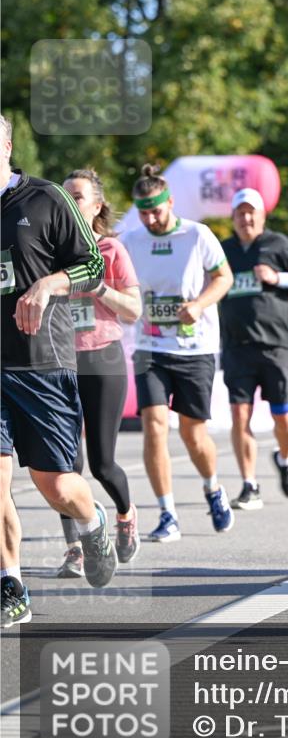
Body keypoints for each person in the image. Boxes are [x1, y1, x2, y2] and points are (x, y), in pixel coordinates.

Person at [1, 115, 117, 627]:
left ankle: (92, 525)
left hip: (41, 363)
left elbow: (93, 266)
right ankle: (12, 584)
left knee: (56, 486)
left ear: (6, 145)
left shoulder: (46, 199)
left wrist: (48, 284)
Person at [122, 164, 234, 542]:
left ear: (171, 202)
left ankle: (213, 487)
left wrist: (200, 305)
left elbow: (224, 278)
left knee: (192, 433)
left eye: (157, 210)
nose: (151, 218)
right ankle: (167, 513)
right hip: (150, 346)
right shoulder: (132, 241)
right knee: (154, 425)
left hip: (195, 347)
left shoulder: (197, 235)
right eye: (144, 212)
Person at [55, 170, 142, 578]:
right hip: (57, 362)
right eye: (65, 197)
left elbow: (134, 310)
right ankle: (76, 546)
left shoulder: (111, 251)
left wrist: (99, 287)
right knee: (63, 464)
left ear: (97, 206)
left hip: (102, 358)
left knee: (102, 464)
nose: (71, 203)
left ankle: (125, 514)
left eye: (78, 196)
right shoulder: (50, 251)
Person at [219, 188, 288, 510]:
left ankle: (284, 459)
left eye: (251, 212)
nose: (246, 218)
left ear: (262, 215)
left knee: (283, 417)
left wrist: (277, 277)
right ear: (232, 218)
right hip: (236, 346)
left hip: (276, 346)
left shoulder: (277, 244)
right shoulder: (224, 250)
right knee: (239, 415)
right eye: (240, 213)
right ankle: (249, 484)